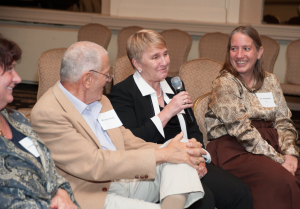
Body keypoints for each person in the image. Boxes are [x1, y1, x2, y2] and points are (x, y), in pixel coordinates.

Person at [30, 41, 207, 209]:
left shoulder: (101, 101)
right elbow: (95, 163)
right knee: (172, 155)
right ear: (87, 79)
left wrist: (173, 151)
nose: (109, 80)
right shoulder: (48, 113)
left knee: (182, 147)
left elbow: (127, 141)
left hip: (125, 178)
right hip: (95, 194)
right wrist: (162, 155)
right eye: (107, 75)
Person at [110, 29, 253, 209]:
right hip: (157, 165)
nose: (165, 62)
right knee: (203, 199)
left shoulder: (174, 84)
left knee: (239, 192)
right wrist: (168, 111)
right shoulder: (123, 92)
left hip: (190, 158)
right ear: (137, 63)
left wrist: (198, 155)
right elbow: (132, 140)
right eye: (155, 57)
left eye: (165, 54)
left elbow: (192, 128)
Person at [205, 25, 300, 209]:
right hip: (234, 147)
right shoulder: (225, 83)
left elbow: (283, 121)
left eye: (246, 48)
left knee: (295, 173)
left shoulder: (271, 80)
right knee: (282, 180)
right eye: (234, 49)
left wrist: (290, 154)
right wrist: (279, 160)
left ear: (259, 52)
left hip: (271, 143)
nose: (239, 55)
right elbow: (242, 131)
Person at [0, 36, 79, 208]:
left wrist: (62, 193)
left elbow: (48, 167)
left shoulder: (16, 119)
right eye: (10, 70)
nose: (18, 78)